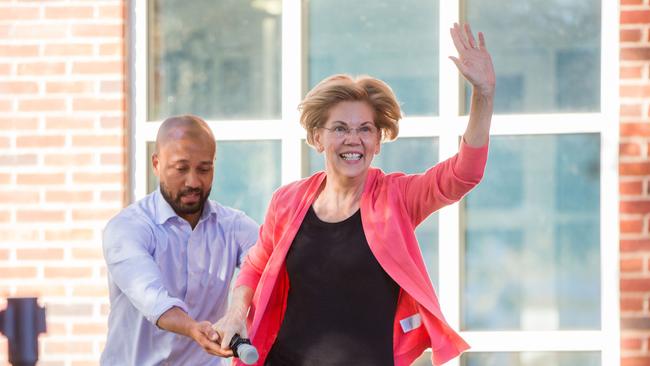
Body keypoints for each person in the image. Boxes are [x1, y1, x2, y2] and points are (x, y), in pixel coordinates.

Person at [214, 23, 495, 366]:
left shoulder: (396, 199)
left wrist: (483, 95)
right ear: (318, 138)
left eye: (365, 129)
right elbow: (254, 268)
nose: (353, 139)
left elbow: (463, 175)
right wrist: (235, 314)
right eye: (340, 129)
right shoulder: (288, 201)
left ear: (378, 140)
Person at [101, 115, 259, 365]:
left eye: (204, 169)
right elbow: (152, 298)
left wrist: (237, 313)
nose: (193, 182)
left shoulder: (233, 226)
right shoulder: (127, 228)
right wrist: (193, 329)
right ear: (156, 164)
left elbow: (268, 261)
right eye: (181, 168)